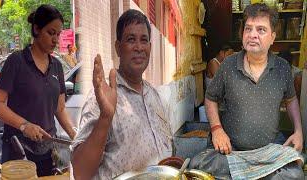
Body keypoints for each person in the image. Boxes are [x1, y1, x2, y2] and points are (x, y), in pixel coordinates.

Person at [194, 3, 304, 179]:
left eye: (261, 30)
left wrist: (298, 131)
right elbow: (210, 98)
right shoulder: (228, 65)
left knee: (295, 174)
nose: (253, 35)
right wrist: (216, 129)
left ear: (272, 37)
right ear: (242, 33)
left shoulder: (282, 68)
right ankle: (256, 175)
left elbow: (291, 100)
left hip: (269, 151)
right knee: (199, 163)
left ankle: (249, 175)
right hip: (232, 151)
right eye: (248, 29)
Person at [71, 9, 172, 179]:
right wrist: (105, 118)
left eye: (144, 40)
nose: (139, 47)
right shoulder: (103, 97)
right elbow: (81, 173)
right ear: (118, 48)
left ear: (150, 47)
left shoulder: (154, 95)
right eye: (131, 40)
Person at [0, 4, 76, 177]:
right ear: (36, 29)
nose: (55, 40)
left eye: (58, 35)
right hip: (18, 150)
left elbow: (59, 109)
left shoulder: (57, 67)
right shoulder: (16, 61)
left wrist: (76, 136)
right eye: (51, 33)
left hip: (47, 151)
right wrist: (24, 125)